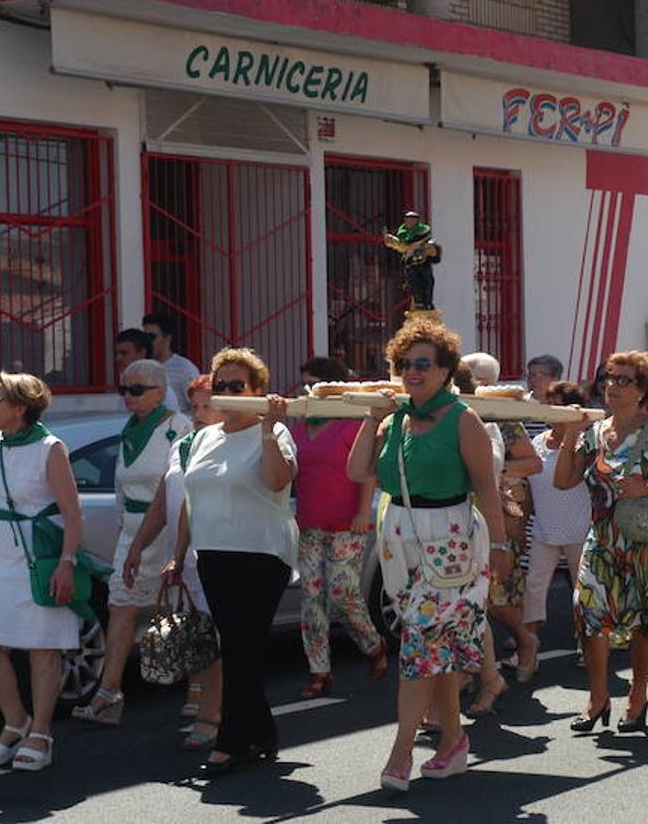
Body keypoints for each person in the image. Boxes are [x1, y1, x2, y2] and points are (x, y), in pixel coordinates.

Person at [346, 318, 508, 792]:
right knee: (434, 644)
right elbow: (359, 471)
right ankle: (454, 741)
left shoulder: (463, 418)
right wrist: (372, 417)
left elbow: (487, 488)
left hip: (451, 537)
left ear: (444, 370)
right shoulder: (396, 419)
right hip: (399, 536)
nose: (411, 372)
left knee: (419, 644)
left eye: (422, 363)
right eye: (404, 364)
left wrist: (499, 545)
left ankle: (400, 753)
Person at [0, 373, 98, 771]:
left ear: (20, 408)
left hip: (41, 554)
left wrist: (67, 564)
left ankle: (40, 733)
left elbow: (73, 513)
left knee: (43, 646)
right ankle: (15, 721)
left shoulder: (50, 448)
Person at [554, 350, 648, 733]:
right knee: (588, 615)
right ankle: (598, 698)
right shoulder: (596, 432)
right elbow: (563, 481)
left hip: (643, 542)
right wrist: (570, 437)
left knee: (645, 622)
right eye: (609, 378)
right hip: (602, 541)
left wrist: (645, 487)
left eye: (623, 380)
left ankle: (638, 696)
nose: (612, 385)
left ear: (642, 389)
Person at [183, 347, 298, 777]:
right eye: (222, 385)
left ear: (256, 391)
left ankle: (230, 742)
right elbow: (190, 499)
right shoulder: (203, 437)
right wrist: (180, 555)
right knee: (236, 647)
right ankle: (262, 732)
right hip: (213, 552)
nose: (228, 393)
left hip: (261, 552)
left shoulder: (274, 433)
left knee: (240, 648)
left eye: (238, 386)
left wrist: (269, 429)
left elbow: (276, 480)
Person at [73, 360, 192, 727]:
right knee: (120, 606)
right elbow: (122, 488)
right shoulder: (129, 429)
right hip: (134, 532)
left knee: (185, 609)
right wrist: (127, 532)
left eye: (136, 390)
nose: (128, 396)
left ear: (159, 391)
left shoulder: (177, 427)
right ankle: (109, 693)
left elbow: (180, 487)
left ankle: (200, 694)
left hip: (169, 528)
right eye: (124, 389)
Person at [121, 375, 224, 750]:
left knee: (218, 636)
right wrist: (137, 547)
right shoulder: (181, 446)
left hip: (221, 554)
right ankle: (209, 703)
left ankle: (212, 713)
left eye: (206, 405)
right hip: (186, 558)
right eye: (193, 406)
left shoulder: (229, 446)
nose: (198, 414)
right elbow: (163, 503)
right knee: (198, 633)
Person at [291, 357, 387, 698]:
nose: (308, 389)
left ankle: (373, 645)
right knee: (311, 598)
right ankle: (319, 671)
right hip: (310, 520)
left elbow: (368, 471)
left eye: (314, 383)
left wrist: (364, 511)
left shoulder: (353, 421)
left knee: (343, 591)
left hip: (348, 520)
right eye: (305, 383)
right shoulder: (300, 423)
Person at [460, 351, 541, 710]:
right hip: (458, 515)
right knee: (470, 600)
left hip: (492, 512)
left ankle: (526, 642)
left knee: (495, 598)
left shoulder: (502, 417)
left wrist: (495, 472)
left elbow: (532, 462)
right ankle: (468, 672)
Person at [521, 381, 594, 642]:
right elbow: (529, 488)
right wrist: (522, 527)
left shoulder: (588, 444)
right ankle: (528, 642)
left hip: (579, 530)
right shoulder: (537, 442)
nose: (550, 410)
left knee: (583, 588)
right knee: (534, 587)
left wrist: (574, 432)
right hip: (543, 529)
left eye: (557, 405)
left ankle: (588, 642)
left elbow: (576, 480)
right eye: (548, 404)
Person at [143, 312, 201, 414]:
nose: (147, 342)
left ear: (167, 339)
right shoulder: (142, 367)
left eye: (151, 337)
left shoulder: (184, 369)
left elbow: (198, 406)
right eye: (144, 337)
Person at [115, 328, 183, 411]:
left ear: (142, 353)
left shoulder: (162, 389)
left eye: (124, 353)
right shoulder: (128, 387)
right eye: (117, 353)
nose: (118, 358)